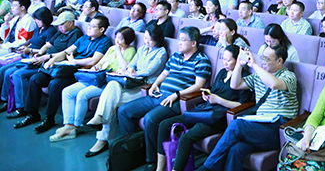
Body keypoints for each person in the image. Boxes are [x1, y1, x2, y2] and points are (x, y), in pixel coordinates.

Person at [118, 26, 212, 170]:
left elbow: (199, 85)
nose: (179, 43)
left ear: (193, 43)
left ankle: (151, 160)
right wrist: (155, 84)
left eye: (183, 40)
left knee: (151, 119)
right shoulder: (176, 56)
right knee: (124, 111)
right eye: (179, 39)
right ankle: (134, 150)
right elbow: (164, 73)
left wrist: (177, 95)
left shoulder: (201, 60)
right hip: (159, 94)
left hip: (176, 100)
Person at [196, 45, 298, 171]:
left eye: (266, 59)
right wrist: (239, 64)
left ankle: (207, 168)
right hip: (259, 126)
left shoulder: (289, 76)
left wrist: (254, 65)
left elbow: (273, 84)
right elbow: (235, 85)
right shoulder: (258, 76)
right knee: (236, 149)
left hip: (278, 129)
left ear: (279, 61)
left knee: (237, 125)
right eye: (262, 58)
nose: (263, 62)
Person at [157, 45, 253, 171]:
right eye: (224, 59)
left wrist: (219, 100)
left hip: (218, 117)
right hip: (205, 110)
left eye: (229, 60)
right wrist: (207, 95)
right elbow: (214, 91)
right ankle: (160, 168)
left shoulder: (244, 78)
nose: (225, 63)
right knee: (164, 125)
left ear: (237, 60)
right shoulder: (222, 72)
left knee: (186, 138)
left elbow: (241, 105)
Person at [15, 15, 112, 133]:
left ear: (101, 29)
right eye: (89, 25)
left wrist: (74, 61)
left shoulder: (105, 41)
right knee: (36, 79)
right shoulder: (84, 38)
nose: (89, 28)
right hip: (66, 67)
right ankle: (32, 114)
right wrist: (52, 60)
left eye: (92, 26)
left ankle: (49, 118)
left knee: (55, 84)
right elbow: (66, 52)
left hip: (78, 71)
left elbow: (93, 61)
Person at [84, 24, 168, 157]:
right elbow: (132, 64)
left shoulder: (161, 52)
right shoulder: (142, 49)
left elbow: (149, 71)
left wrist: (134, 72)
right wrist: (130, 69)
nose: (147, 41)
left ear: (157, 39)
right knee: (112, 85)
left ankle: (101, 136)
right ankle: (99, 120)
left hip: (144, 88)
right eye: (145, 38)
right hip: (132, 83)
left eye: (150, 39)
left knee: (109, 102)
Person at [51, 27, 137, 142]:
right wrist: (96, 67)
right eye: (116, 37)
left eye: (120, 38)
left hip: (109, 82)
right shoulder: (111, 48)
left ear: (128, 39)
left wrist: (118, 51)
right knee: (67, 92)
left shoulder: (131, 50)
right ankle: (68, 124)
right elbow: (101, 62)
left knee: (82, 95)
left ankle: (75, 126)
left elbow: (125, 67)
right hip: (97, 77)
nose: (117, 40)